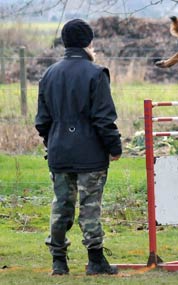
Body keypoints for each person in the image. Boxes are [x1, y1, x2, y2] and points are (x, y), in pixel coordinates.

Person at [35, 18, 122, 276]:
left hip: (59, 152)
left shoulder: (48, 74)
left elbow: (42, 121)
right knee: (90, 208)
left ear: (64, 43)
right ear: (88, 43)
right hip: (90, 155)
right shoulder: (96, 73)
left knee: (61, 206)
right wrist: (114, 147)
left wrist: (53, 142)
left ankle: (58, 262)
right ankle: (96, 261)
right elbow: (104, 119)